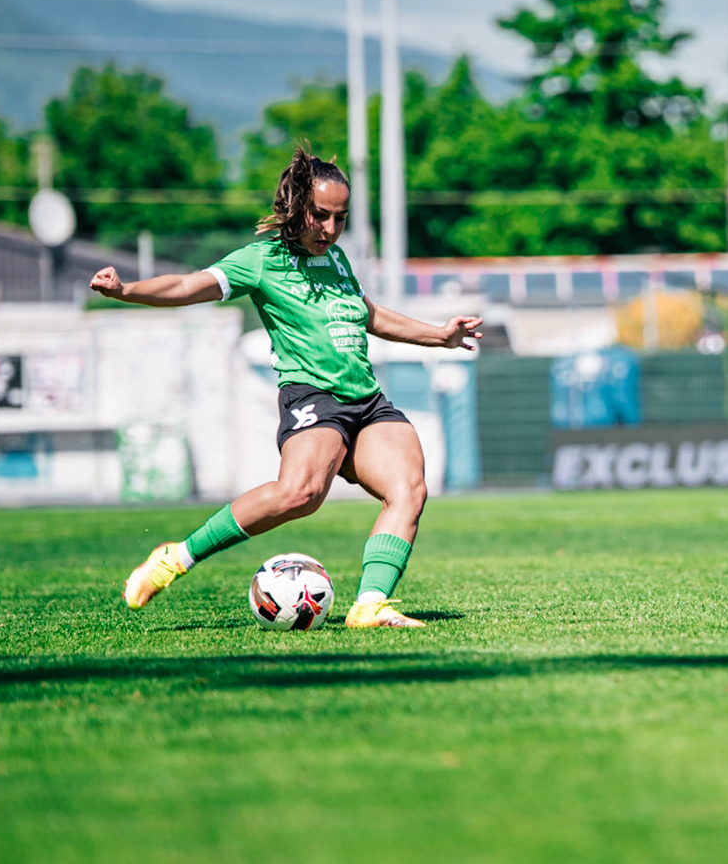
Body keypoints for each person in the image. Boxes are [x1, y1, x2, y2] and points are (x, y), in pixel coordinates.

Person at [87, 146, 482, 627]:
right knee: (300, 494)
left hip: (367, 401)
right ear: (297, 207)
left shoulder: (336, 261)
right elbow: (190, 286)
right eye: (321, 216)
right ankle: (176, 557)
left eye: (341, 218)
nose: (331, 229)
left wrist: (439, 335)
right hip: (313, 398)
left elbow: (368, 315)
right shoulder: (261, 260)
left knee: (409, 490)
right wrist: (126, 291)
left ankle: (369, 604)